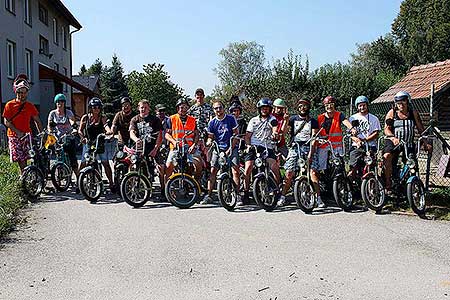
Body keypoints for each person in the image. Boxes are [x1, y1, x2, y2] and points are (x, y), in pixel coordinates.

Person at [383, 91, 430, 193]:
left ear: (408, 101)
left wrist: (426, 142)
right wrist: (393, 137)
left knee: (412, 163)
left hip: (408, 143)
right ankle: (388, 184)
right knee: (387, 156)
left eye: (403, 101)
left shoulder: (413, 113)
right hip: (394, 142)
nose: (400, 104)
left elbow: (421, 129)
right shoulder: (392, 113)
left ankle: (412, 187)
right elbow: (386, 129)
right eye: (398, 102)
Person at [314, 96, 355, 207]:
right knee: (321, 169)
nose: (329, 106)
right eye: (327, 105)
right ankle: (323, 187)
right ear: (324, 106)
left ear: (334, 105)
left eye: (331, 104)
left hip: (336, 146)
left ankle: (343, 187)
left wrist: (351, 128)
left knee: (340, 166)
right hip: (323, 146)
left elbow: (346, 122)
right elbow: (316, 131)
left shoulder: (339, 115)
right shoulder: (320, 118)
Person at [278, 99, 320, 206]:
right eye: (300, 106)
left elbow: (314, 137)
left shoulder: (313, 121)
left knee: (313, 172)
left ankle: (318, 197)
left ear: (308, 108)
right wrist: (286, 120)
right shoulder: (292, 119)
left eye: (305, 106)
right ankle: (283, 196)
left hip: (308, 147)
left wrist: (311, 152)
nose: (303, 108)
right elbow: (283, 132)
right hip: (295, 147)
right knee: (289, 172)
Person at [2, 75, 42, 173]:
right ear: (16, 92)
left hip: (27, 136)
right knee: (21, 161)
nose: (22, 95)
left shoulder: (30, 106)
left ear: (27, 93)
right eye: (20, 92)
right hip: (14, 136)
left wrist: (42, 134)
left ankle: (27, 178)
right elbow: (6, 121)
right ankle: (24, 181)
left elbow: (37, 120)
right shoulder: (9, 105)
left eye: (24, 92)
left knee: (29, 158)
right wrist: (18, 132)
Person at [242, 98, 279, 204]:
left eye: (267, 108)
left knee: (274, 167)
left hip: (267, 147)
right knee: (248, 168)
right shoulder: (253, 120)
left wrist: (274, 134)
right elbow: (248, 136)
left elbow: (275, 129)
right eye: (263, 108)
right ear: (259, 109)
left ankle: (277, 191)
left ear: (270, 109)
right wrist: (248, 145)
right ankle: (245, 193)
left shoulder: (272, 119)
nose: (264, 110)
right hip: (253, 147)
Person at [203, 100, 239, 204]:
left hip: (231, 147)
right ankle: (208, 195)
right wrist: (209, 142)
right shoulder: (212, 122)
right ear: (213, 110)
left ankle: (237, 194)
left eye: (220, 107)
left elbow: (236, 135)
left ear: (223, 108)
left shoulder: (231, 119)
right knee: (213, 170)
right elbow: (210, 137)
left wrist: (230, 149)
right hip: (218, 149)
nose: (218, 110)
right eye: (216, 108)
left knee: (235, 170)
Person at [78, 97, 114, 191]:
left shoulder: (102, 118)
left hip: (100, 143)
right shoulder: (86, 118)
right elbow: (80, 130)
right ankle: (79, 183)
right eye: (94, 107)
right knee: (83, 163)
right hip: (89, 142)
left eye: (98, 107)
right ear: (90, 108)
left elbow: (106, 126)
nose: (96, 109)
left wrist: (109, 132)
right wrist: (82, 138)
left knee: (105, 163)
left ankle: (111, 183)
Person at [165, 98, 202, 182]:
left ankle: (195, 184)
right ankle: (167, 189)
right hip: (176, 147)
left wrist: (194, 145)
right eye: (182, 107)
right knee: (168, 166)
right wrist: (174, 142)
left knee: (199, 165)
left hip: (189, 148)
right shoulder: (171, 119)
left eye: (185, 107)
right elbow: (167, 134)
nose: (184, 110)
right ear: (178, 108)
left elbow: (197, 134)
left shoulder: (193, 120)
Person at [47, 93, 79, 180]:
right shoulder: (52, 113)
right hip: (57, 138)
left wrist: (74, 128)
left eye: (61, 102)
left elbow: (72, 121)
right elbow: (49, 125)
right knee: (56, 156)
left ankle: (78, 179)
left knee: (72, 157)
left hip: (68, 137)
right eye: (58, 102)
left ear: (64, 103)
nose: (59, 104)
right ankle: (57, 177)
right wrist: (50, 132)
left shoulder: (68, 112)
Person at [348, 96, 381, 178]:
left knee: (371, 164)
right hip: (356, 146)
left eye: (364, 105)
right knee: (353, 165)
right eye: (360, 105)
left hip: (370, 145)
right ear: (357, 107)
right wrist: (356, 139)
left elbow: (376, 133)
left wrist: (366, 139)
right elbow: (350, 134)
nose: (362, 107)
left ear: (367, 105)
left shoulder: (374, 118)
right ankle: (352, 181)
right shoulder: (352, 118)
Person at [129, 100, 163, 176]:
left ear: (149, 109)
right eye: (142, 107)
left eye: (145, 107)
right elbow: (131, 132)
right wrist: (136, 139)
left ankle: (163, 187)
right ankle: (132, 185)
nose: (143, 109)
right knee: (131, 165)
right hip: (139, 148)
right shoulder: (134, 119)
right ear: (138, 108)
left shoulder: (155, 120)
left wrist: (155, 149)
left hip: (152, 147)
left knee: (161, 167)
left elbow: (159, 135)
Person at [154, 103, 170, 194]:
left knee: (168, 169)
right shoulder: (154, 121)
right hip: (158, 147)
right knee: (161, 168)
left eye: (163, 111)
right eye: (160, 111)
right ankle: (162, 189)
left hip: (168, 146)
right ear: (156, 111)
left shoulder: (169, 120)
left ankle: (168, 189)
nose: (162, 113)